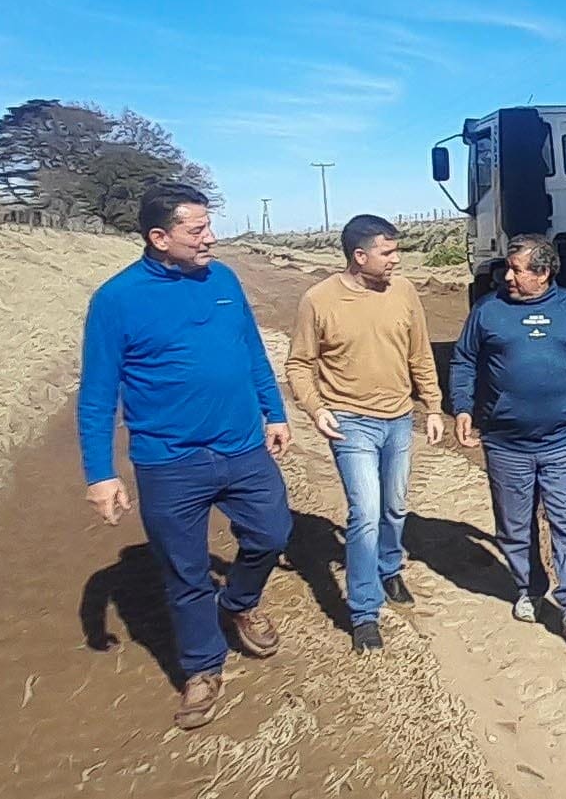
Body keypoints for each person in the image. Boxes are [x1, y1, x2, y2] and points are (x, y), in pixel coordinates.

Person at [77, 182, 293, 731]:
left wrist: (274, 412)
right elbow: (98, 393)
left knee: (272, 533)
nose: (210, 238)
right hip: (169, 463)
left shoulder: (223, 280)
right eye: (197, 230)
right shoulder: (117, 299)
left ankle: (238, 603)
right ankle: (202, 668)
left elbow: (251, 351)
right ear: (159, 237)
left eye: (208, 226)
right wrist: (100, 473)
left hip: (243, 447)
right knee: (185, 571)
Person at [449, 234, 566, 651]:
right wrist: (462, 407)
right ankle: (529, 586)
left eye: (516, 269)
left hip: (562, 440)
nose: (506, 276)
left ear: (543, 273)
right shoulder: (488, 311)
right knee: (513, 524)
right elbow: (464, 360)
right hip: (505, 443)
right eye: (508, 268)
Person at [284, 213, 445, 654]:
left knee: (395, 507)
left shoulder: (404, 291)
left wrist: (433, 406)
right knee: (366, 512)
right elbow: (299, 364)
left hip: (399, 419)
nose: (396, 259)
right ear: (359, 256)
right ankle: (364, 613)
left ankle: (389, 568)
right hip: (350, 422)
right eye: (387, 252)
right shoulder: (319, 300)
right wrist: (316, 408)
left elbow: (420, 354)